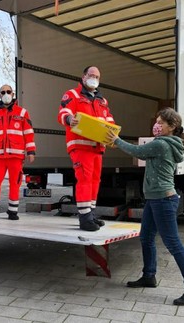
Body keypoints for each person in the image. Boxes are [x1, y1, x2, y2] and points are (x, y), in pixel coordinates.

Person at [106, 107, 184, 306]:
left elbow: (137, 151)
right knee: (146, 236)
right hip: (155, 198)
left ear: (172, 127)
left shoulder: (162, 144)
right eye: (156, 121)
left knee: (173, 243)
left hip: (163, 200)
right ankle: (149, 276)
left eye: (160, 123)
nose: (156, 125)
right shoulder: (165, 143)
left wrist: (116, 140)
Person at [57, 66, 115, 231]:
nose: (94, 79)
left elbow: (109, 120)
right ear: (83, 77)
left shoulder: (102, 101)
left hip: (97, 148)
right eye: (91, 75)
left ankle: (91, 215)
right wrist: (69, 119)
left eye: (97, 76)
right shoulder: (72, 94)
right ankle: (84, 218)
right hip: (80, 146)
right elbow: (63, 112)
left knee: (95, 181)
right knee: (84, 180)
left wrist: (112, 130)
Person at [0, 84, 36, 221]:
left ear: (13, 94)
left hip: (16, 156)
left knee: (14, 184)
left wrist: (31, 151)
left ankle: (12, 212)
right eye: (3, 92)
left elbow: (28, 133)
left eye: (8, 92)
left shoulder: (22, 112)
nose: (6, 94)